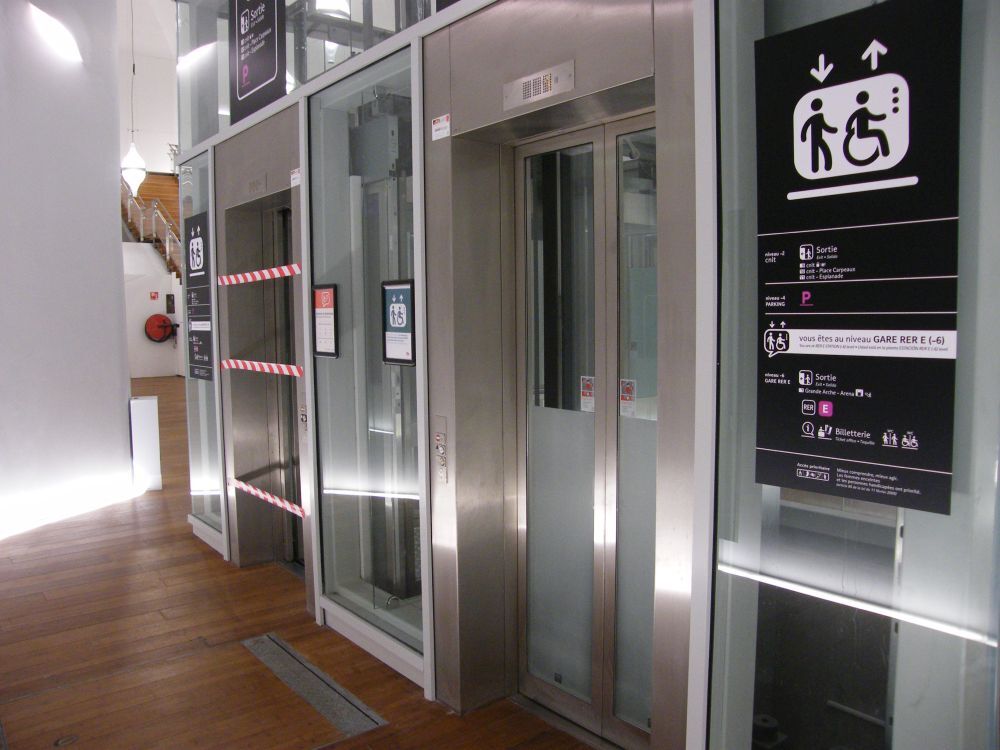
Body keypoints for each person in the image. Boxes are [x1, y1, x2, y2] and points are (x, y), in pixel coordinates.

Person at [844, 90, 890, 166]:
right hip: (862, 133)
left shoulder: (860, 111)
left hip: (859, 133)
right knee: (879, 133)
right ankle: (885, 152)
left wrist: (848, 128)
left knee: (879, 133)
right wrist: (882, 117)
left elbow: (851, 119)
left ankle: (885, 153)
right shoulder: (863, 111)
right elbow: (873, 117)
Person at [800, 97, 837, 173]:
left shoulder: (818, 116)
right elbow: (806, 127)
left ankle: (825, 166)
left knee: (823, 150)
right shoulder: (815, 117)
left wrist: (832, 130)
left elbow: (824, 126)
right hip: (815, 139)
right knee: (819, 151)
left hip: (818, 139)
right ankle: (817, 168)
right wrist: (803, 136)